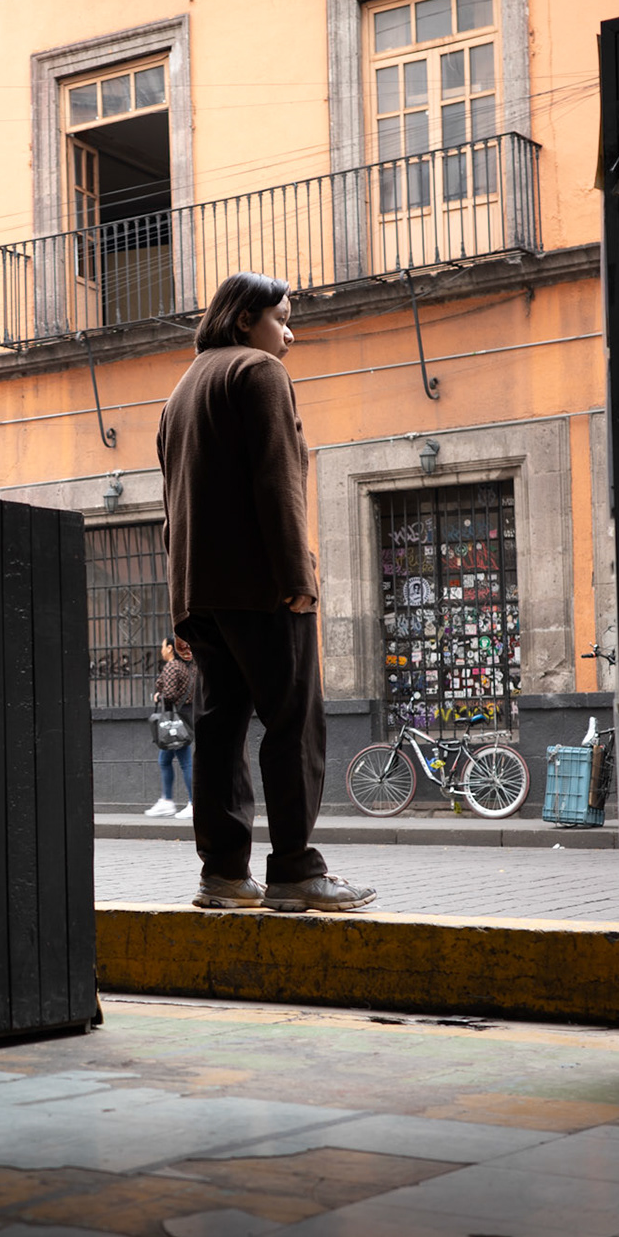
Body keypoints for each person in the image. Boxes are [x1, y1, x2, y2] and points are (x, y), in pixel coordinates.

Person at [155, 271, 377, 913]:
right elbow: (278, 480)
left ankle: (224, 875)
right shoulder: (258, 372)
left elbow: (172, 511)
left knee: (219, 727)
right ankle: (296, 872)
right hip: (261, 585)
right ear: (245, 318)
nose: (290, 333)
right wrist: (297, 578)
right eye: (282, 318)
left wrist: (180, 608)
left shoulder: (180, 392)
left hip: (202, 595)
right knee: (293, 721)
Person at [142, 637, 196, 819]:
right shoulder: (188, 667)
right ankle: (167, 801)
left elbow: (170, 694)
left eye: (163, 646)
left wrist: (159, 696)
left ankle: (192, 803)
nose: (161, 650)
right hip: (184, 717)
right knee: (165, 760)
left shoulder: (173, 666)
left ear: (171, 648)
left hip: (174, 721)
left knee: (185, 762)